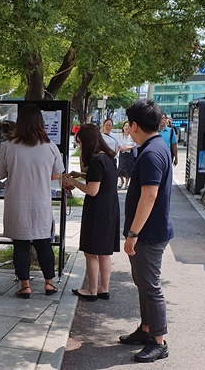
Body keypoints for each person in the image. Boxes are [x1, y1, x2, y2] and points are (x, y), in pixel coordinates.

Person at [119, 99, 174, 363]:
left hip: (148, 233)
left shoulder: (152, 153)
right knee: (143, 283)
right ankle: (146, 330)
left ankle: (158, 341)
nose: (127, 128)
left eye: (129, 124)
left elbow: (149, 197)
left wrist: (132, 234)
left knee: (150, 286)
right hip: (149, 231)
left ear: (135, 125)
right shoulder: (156, 147)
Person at [0, 103, 64, 298]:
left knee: (21, 245)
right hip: (41, 202)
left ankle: (25, 286)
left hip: (17, 202)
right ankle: (49, 284)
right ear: (41, 123)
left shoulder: (9, 146)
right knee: (44, 244)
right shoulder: (50, 146)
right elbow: (58, 173)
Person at [63, 125, 119, 301]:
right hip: (109, 210)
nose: (80, 147)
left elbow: (92, 190)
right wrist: (80, 174)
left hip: (97, 212)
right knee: (104, 252)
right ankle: (104, 289)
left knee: (91, 252)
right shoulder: (108, 157)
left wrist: (73, 181)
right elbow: (99, 178)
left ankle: (91, 290)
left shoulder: (95, 161)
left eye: (80, 143)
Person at [117, 122, 137, 189]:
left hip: (129, 153)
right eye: (125, 126)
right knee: (120, 168)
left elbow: (135, 144)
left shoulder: (132, 136)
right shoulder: (120, 136)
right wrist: (121, 148)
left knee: (128, 168)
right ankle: (122, 181)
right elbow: (117, 143)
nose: (126, 127)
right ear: (123, 127)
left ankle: (127, 183)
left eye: (128, 126)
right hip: (122, 153)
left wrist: (127, 148)